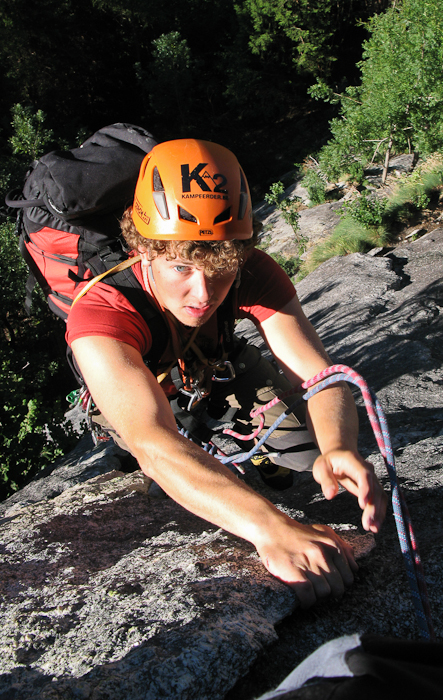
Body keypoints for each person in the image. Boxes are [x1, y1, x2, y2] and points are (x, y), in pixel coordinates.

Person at [66, 139, 387, 607]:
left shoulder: (250, 270)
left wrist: (338, 446)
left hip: (212, 366)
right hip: (142, 387)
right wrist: (270, 528)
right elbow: (153, 442)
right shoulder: (101, 311)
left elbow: (318, 375)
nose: (203, 292)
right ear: (142, 249)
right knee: (168, 490)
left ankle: (254, 457)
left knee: (305, 457)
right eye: (181, 267)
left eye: (221, 267)